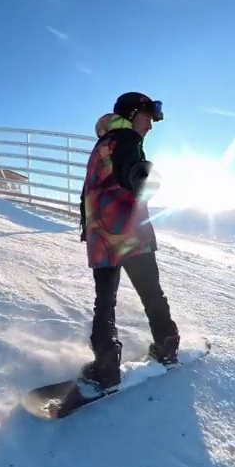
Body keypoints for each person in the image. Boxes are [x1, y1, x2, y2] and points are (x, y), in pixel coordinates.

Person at [77, 91, 179, 389]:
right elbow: (130, 170)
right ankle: (167, 344)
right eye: (147, 119)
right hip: (131, 233)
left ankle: (106, 366)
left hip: (104, 237)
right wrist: (141, 176)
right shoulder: (125, 139)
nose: (149, 127)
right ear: (132, 114)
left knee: (105, 302)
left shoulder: (103, 144)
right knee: (151, 293)